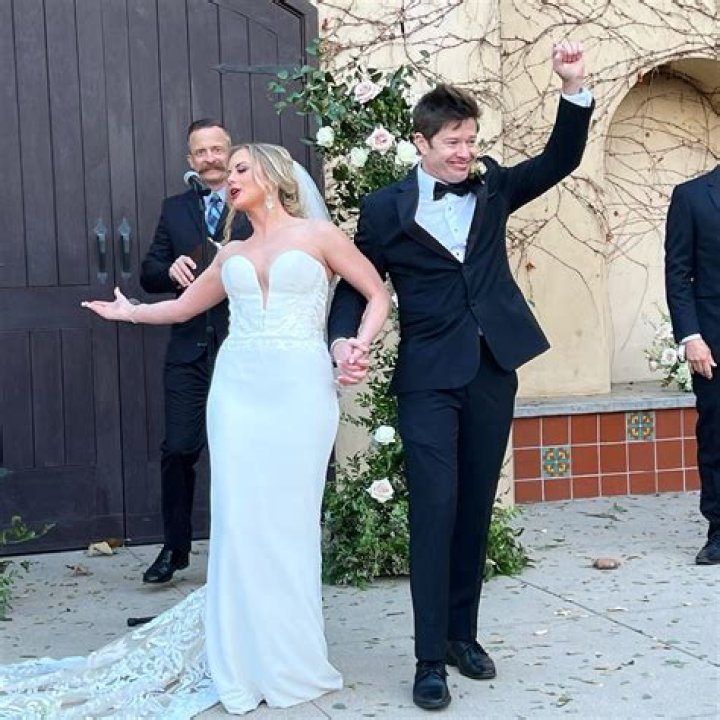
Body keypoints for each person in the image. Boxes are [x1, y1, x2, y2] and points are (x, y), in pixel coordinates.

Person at [0, 144, 390, 717]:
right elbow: (183, 308)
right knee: (239, 519)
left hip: (301, 389)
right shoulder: (230, 251)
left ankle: (291, 654)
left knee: (289, 518)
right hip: (237, 390)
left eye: (240, 168)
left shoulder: (319, 236)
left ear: (273, 175)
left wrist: (358, 344)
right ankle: (242, 653)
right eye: (227, 171)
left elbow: (376, 293)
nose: (229, 178)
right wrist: (130, 312)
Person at [328, 41, 594, 711]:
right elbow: (357, 285)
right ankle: (428, 660)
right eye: (452, 142)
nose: (464, 152)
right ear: (420, 143)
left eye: (470, 140)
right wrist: (341, 340)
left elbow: (560, 159)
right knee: (435, 509)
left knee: (474, 507)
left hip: (491, 368)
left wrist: (572, 86)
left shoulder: (494, 185)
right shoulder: (384, 209)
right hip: (426, 376)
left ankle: (460, 637)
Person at [140, 118, 252, 584]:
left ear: (231, 151)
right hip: (188, 350)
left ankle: (243, 552)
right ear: (190, 160)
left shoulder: (253, 202)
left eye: (216, 149)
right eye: (200, 152)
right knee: (178, 449)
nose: (210, 159)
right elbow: (148, 272)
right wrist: (169, 269)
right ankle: (175, 547)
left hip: (242, 346)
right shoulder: (174, 209)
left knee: (242, 451)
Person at [665, 164, 720, 565]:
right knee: (716, 439)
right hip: (713, 343)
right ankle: (718, 531)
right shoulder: (692, 196)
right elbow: (678, 274)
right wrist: (691, 337)